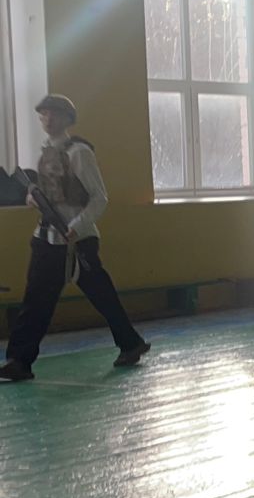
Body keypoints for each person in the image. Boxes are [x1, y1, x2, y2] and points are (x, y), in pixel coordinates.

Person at [0, 96, 149, 382]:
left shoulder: (80, 153)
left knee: (102, 297)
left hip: (76, 241)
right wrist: (31, 198)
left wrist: (77, 226)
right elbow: (45, 192)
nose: (48, 119)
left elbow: (99, 198)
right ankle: (19, 361)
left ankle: (130, 343)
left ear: (68, 118)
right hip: (47, 238)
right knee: (36, 300)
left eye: (54, 114)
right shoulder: (45, 153)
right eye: (44, 114)